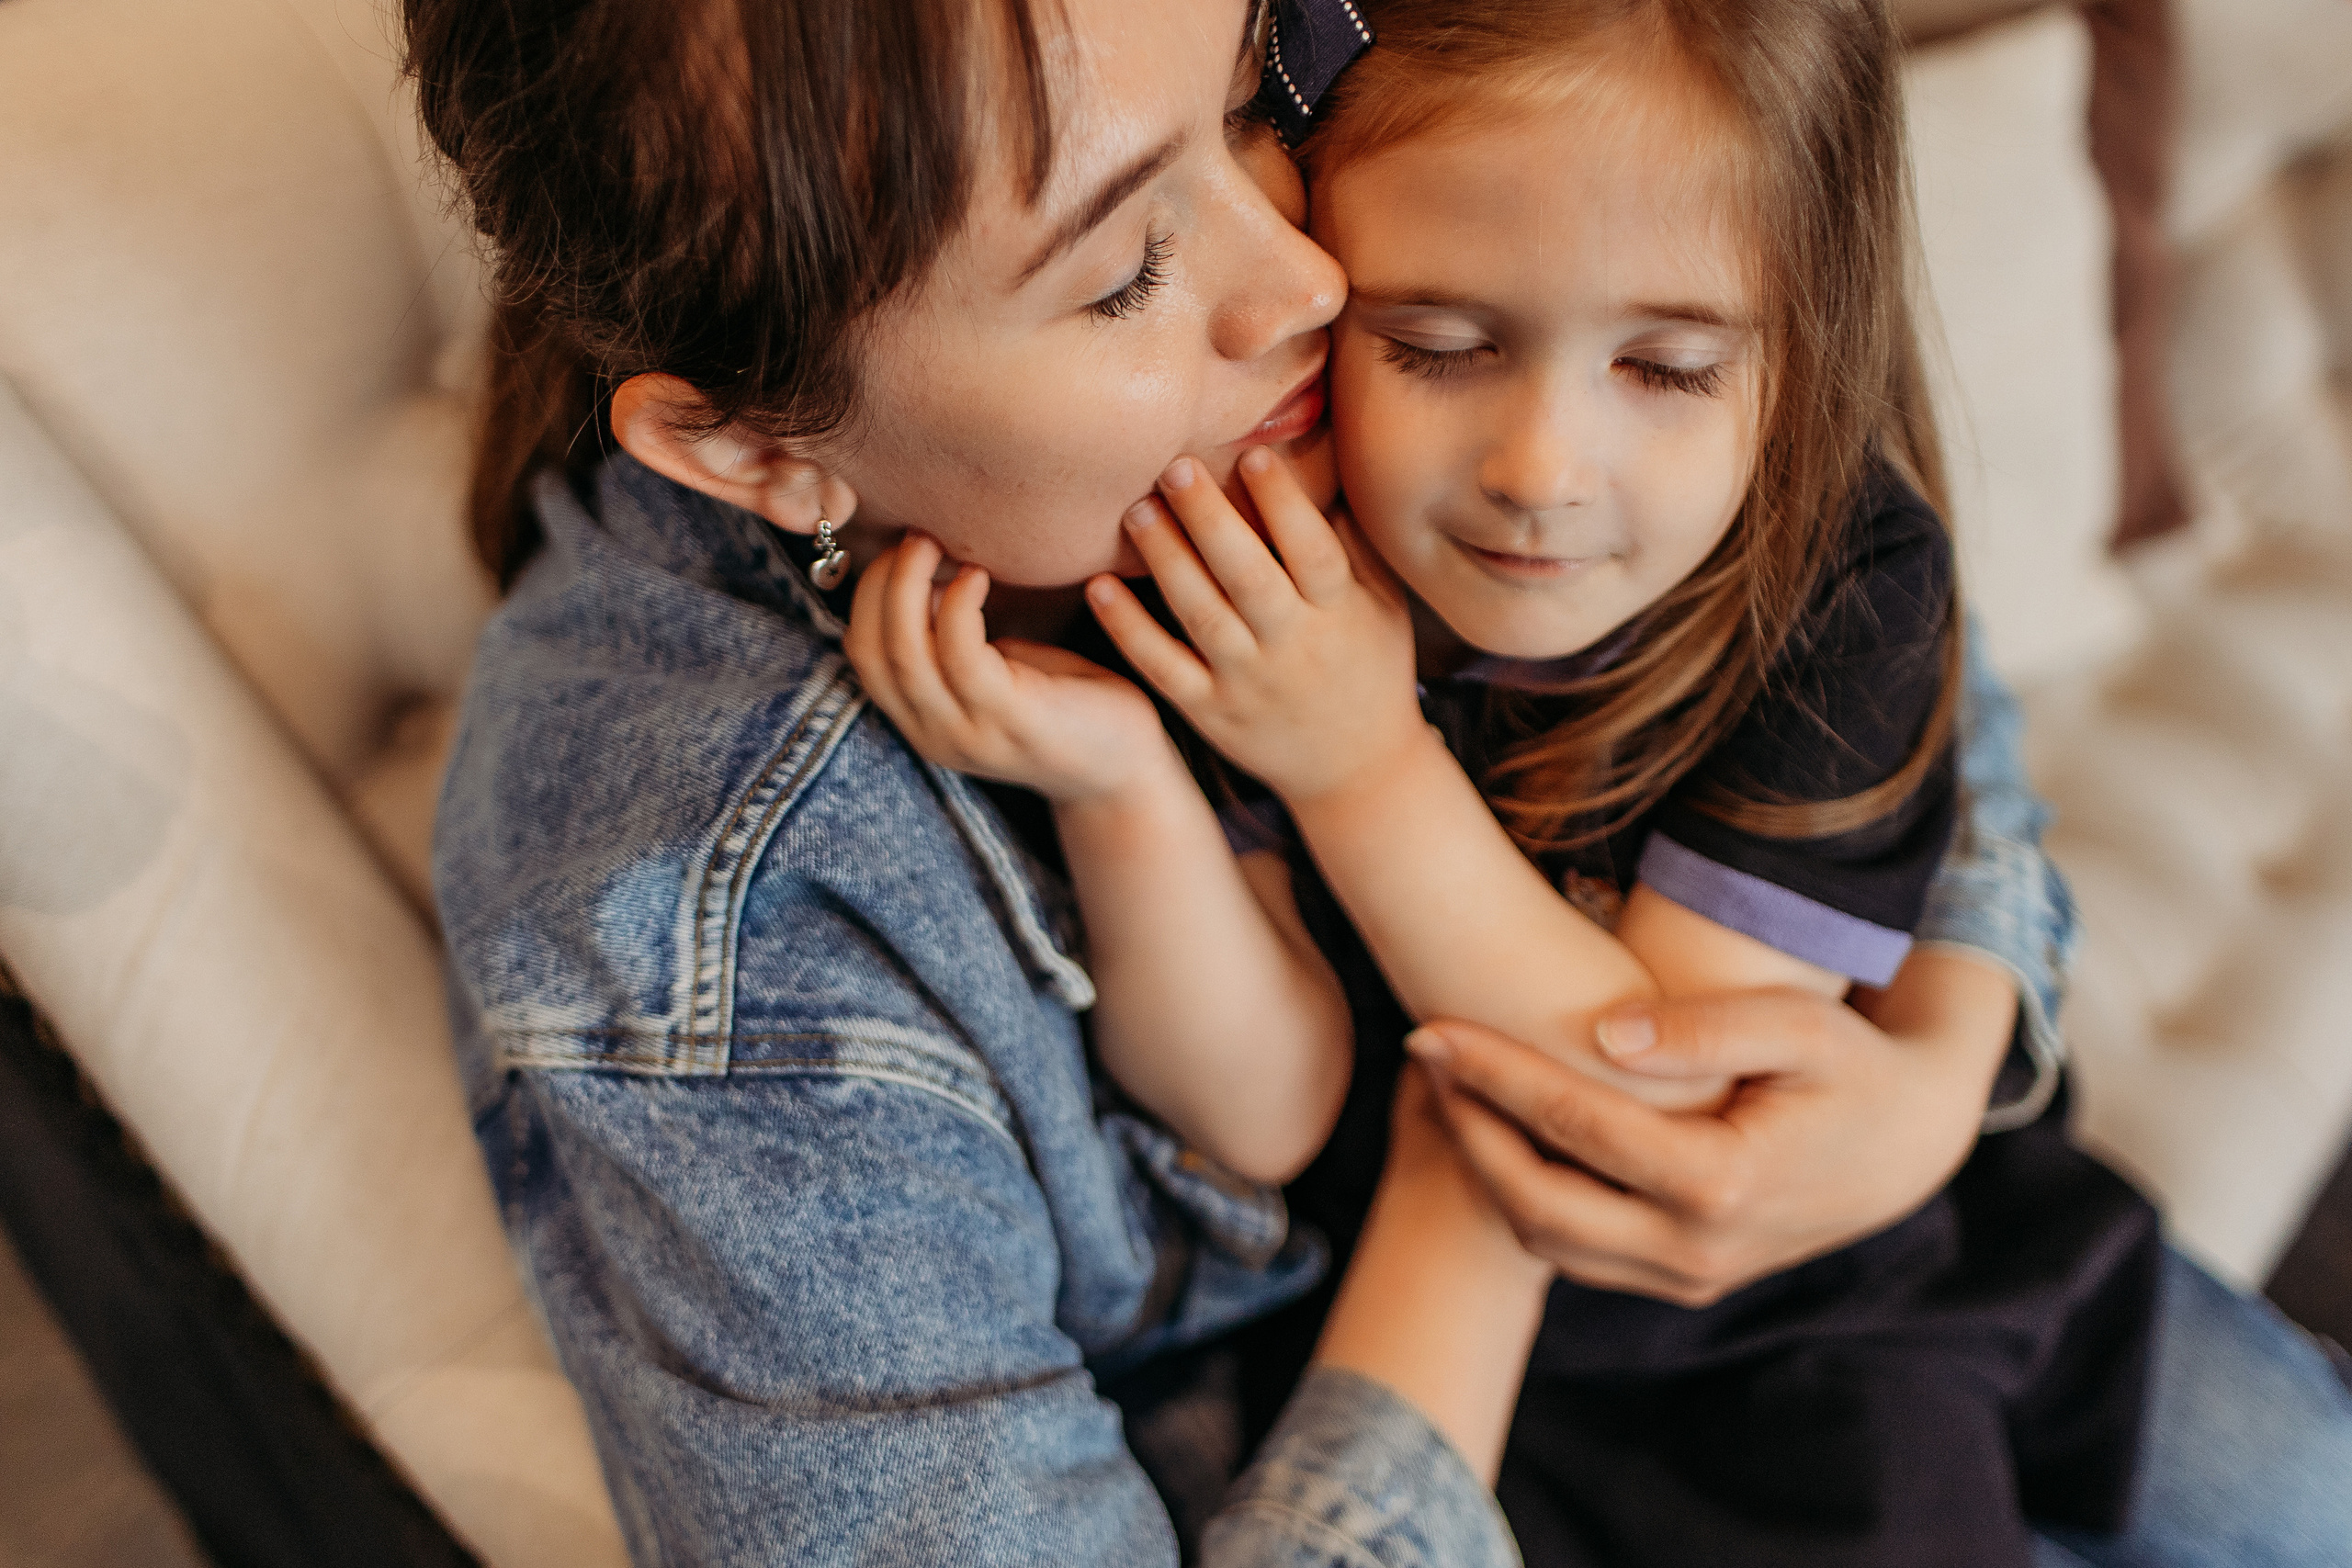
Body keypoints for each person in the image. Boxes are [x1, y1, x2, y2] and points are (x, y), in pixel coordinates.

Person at [413, 0, 2352, 1562]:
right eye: (1118, 275)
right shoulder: (749, 898)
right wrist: (1158, 798)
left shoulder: (1251, 435)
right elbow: (1288, 1101)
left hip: (1931, 1243)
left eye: (1263, 77)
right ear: (757, 450)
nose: (1311, 280)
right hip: (1498, 1383)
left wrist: (1944, 1043)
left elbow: (1850, 587)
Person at [864, 1, 2158, 1561]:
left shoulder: (1841, 587)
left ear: (1804, 349)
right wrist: (1124, 784)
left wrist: (1357, 765)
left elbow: (1658, 1089)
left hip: (1799, 1340)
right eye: (1438, 344)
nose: (1541, 464)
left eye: (1668, 369)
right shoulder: (1275, 579)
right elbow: (1268, 1111)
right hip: (1424, 1363)